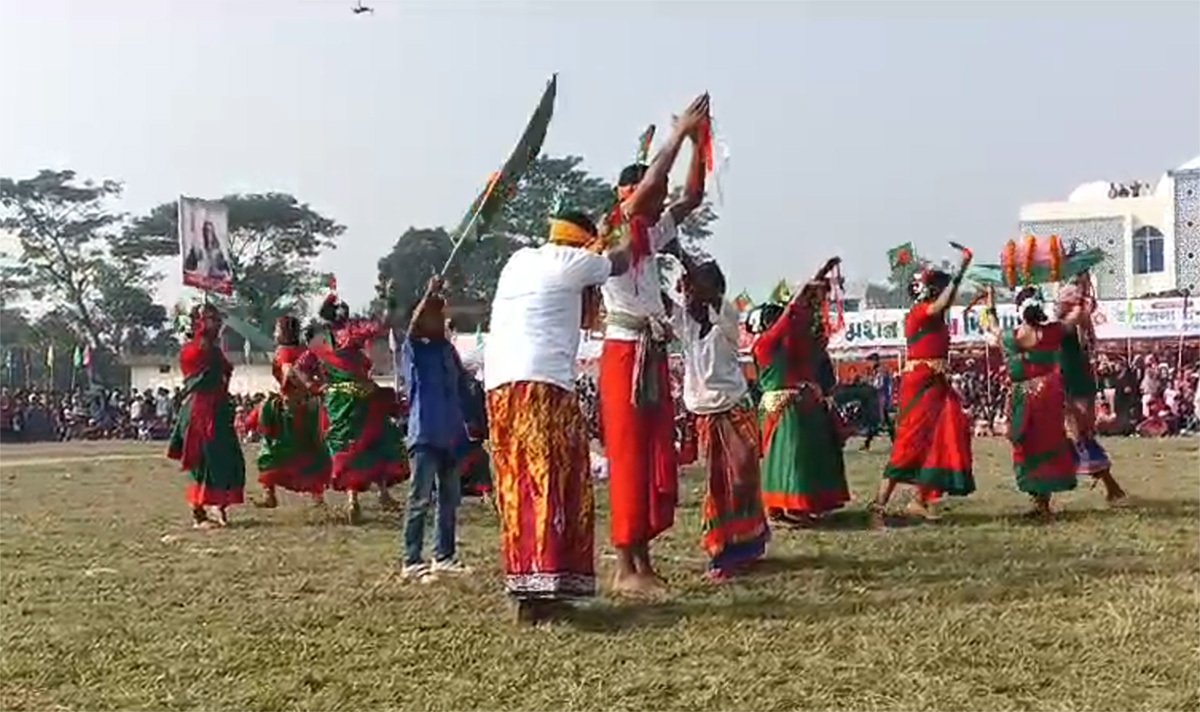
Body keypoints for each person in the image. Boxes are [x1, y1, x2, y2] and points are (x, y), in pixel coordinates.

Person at [485, 209, 633, 621]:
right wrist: (629, 228)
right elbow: (619, 262)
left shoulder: (520, 260)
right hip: (542, 384)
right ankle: (543, 588)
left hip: (499, 386)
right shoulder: (573, 263)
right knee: (553, 481)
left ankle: (529, 583)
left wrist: (601, 237)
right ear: (580, 242)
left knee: (518, 485)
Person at [598, 93, 710, 596]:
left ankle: (642, 558)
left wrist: (698, 143)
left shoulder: (650, 232)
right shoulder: (614, 229)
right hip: (624, 352)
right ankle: (625, 566)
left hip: (651, 350)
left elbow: (690, 198)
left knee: (649, 455)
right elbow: (651, 192)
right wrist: (678, 134)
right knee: (627, 455)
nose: (656, 198)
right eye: (644, 189)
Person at [672, 260, 769, 581]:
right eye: (685, 288)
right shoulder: (685, 324)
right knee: (719, 485)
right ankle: (723, 551)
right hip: (707, 416)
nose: (687, 293)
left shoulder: (726, 319)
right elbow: (657, 299)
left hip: (734, 410)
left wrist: (681, 255)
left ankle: (748, 544)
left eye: (693, 287)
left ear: (711, 290)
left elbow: (709, 294)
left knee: (742, 478)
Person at [870, 249, 975, 528]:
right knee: (910, 443)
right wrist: (961, 270)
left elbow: (945, 303)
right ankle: (878, 507)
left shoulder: (936, 315)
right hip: (921, 383)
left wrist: (959, 273)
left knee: (945, 433)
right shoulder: (920, 313)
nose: (944, 293)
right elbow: (942, 304)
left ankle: (920, 499)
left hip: (937, 383)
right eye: (939, 287)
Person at [749, 257, 850, 527]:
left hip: (781, 403)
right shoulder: (766, 343)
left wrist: (817, 281)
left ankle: (781, 506)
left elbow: (801, 315)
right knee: (793, 457)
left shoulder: (780, 344)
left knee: (779, 459)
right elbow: (793, 312)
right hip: (787, 405)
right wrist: (808, 286)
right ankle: (791, 505)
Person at [984, 286, 1084, 519]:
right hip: (1050, 394)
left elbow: (992, 327)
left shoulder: (1012, 336)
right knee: (1049, 443)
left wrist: (990, 301)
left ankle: (1038, 500)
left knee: (1026, 445)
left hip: (1024, 396)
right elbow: (1075, 316)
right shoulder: (1053, 332)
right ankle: (1043, 502)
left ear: (1019, 309)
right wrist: (1079, 290)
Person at [308, 289, 407, 522]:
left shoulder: (318, 343)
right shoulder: (351, 333)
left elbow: (301, 370)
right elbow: (382, 324)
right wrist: (390, 299)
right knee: (376, 441)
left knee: (348, 447)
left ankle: (360, 498)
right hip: (362, 399)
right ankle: (379, 494)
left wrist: (318, 388)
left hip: (336, 403)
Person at [400, 276, 471, 581]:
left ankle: (444, 555)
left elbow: (463, 387)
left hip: (451, 434)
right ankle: (412, 560)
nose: (441, 320)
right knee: (420, 499)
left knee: (449, 500)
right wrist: (429, 294)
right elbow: (415, 326)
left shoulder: (447, 351)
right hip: (425, 433)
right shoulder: (414, 349)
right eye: (435, 315)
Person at [166, 303, 246, 528]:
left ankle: (218, 507)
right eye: (212, 319)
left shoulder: (213, 348)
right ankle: (199, 513)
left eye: (218, 319)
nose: (218, 323)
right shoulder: (196, 350)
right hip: (201, 411)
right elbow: (203, 373)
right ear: (200, 322)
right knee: (204, 462)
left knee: (225, 461)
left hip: (218, 410)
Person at [1056, 276, 1128, 504]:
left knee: (1080, 436)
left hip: (1075, 383)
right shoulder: (1074, 321)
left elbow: (1078, 315)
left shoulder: (1074, 320)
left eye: (1060, 301)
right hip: (1071, 381)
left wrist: (1082, 290)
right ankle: (1111, 487)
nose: (1056, 306)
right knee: (1077, 436)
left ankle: (1111, 486)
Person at [250, 317, 331, 509]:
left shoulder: (283, 352)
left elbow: (290, 373)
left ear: (284, 332)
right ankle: (317, 498)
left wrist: (303, 386)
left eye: (276, 330)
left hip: (289, 409)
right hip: (309, 408)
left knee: (272, 449)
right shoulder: (306, 352)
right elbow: (320, 373)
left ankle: (269, 494)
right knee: (311, 450)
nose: (274, 334)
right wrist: (314, 388)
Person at [862, 353, 895, 450]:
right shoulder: (875, 371)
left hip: (881, 398)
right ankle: (867, 443)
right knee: (884, 422)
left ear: (875, 361)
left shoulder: (881, 371)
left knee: (879, 421)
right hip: (878, 398)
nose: (868, 364)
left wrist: (868, 382)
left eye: (869, 362)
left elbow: (878, 385)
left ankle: (867, 443)